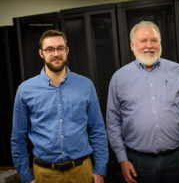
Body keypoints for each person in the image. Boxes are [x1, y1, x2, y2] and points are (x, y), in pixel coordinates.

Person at [106, 21, 179, 183]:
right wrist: (122, 159)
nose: (149, 45)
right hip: (138, 162)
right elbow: (113, 122)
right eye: (143, 41)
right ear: (132, 45)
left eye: (154, 40)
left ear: (160, 43)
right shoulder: (119, 78)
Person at [11, 29, 108, 183]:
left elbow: (98, 130)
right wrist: (25, 176)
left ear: (67, 51)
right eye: (49, 49)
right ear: (41, 53)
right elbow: (18, 138)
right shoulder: (25, 90)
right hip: (45, 174)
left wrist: (100, 170)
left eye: (60, 48)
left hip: (82, 171)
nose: (56, 53)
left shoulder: (86, 85)